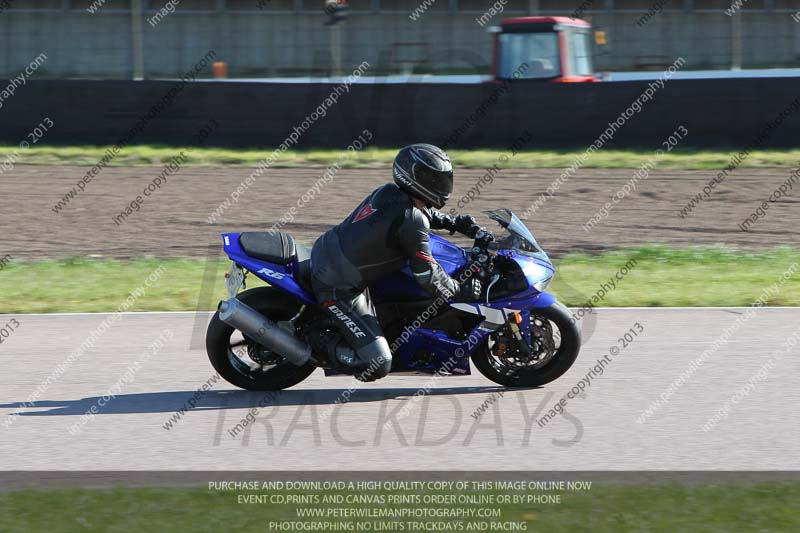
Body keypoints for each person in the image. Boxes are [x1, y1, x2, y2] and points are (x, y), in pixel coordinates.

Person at [308, 143, 483, 382]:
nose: (442, 186)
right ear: (414, 176)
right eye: (434, 179)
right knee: (377, 364)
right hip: (339, 287)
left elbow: (422, 214)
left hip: (326, 251)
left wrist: (454, 223)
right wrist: (459, 290)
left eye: (443, 179)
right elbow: (428, 276)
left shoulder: (389, 192)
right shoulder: (412, 220)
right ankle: (312, 337)